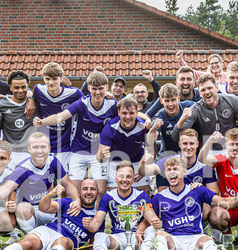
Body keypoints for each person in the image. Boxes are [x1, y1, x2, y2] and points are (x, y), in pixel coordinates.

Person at [139, 156, 238, 250]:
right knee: (161, 236)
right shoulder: (159, 197)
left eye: (175, 169)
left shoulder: (197, 190)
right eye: (169, 170)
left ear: (184, 171)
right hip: (173, 240)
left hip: (195, 239)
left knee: (208, 241)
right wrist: (140, 230)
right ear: (165, 173)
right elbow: (147, 220)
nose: (172, 172)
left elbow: (223, 201)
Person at [35, 71, 117, 200]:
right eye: (94, 89)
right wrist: (42, 121)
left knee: (101, 190)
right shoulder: (82, 103)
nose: (97, 92)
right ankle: (76, 212)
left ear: (107, 87)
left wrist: (145, 120)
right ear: (88, 88)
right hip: (78, 151)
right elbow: (60, 116)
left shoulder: (112, 104)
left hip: (98, 153)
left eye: (101, 88)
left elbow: (129, 111)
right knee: (73, 191)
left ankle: (96, 213)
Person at [0, 132, 80, 235]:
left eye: (43, 147)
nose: (39, 151)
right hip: (27, 212)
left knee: (70, 206)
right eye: (35, 147)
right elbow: (5, 190)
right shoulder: (22, 169)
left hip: (45, 207)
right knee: (24, 209)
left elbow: (68, 185)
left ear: (49, 148)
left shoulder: (53, 161)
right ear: (29, 149)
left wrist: (77, 200)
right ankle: (31, 236)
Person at [0, 179, 99, 250]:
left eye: (92, 189)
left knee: (64, 242)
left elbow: (94, 243)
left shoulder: (98, 218)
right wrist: (51, 194)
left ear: (97, 193)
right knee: (28, 243)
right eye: (85, 189)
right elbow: (43, 207)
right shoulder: (68, 202)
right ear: (79, 192)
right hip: (48, 230)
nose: (88, 192)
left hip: (67, 239)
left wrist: (90, 246)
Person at [83, 162, 159, 250]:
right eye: (121, 176)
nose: (125, 179)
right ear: (116, 179)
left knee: (151, 230)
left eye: (128, 176)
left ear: (133, 180)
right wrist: (88, 225)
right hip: (117, 240)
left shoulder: (142, 195)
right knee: (99, 235)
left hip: (137, 238)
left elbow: (152, 218)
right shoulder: (108, 196)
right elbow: (95, 224)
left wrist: (155, 222)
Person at [172, 74, 238, 154]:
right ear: (200, 93)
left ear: (216, 88)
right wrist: (181, 120)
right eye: (203, 90)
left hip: (232, 148)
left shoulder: (232, 100)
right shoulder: (196, 109)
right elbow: (176, 137)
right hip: (209, 151)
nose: (207, 92)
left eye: (209, 88)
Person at [32, 62, 84, 173]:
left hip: (64, 146)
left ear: (61, 79)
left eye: (54, 79)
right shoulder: (38, 90)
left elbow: (88, 104)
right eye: (47, 79)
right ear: (43, 78)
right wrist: (29, 100)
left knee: (62, 179)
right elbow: (27, 95)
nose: (51, 82)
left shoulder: (74, 93)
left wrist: (106, 95)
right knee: (42, 178)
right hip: (44, 145)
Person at [97, 97, 152, 194]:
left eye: (131, 113)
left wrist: (144, 167)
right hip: (115, 162)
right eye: (124, 113)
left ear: (137, 113)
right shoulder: (110, 127)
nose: (128, 117)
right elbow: (100, 159)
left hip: (137, 161)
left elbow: (151, 151)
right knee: (113, 193)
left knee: (144, 192)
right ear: (118, 112)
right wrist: (103, 155)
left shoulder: (143, 126)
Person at [138, 128, 218, 194]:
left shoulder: (204, 165)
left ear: (197, 144)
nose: (188, 147)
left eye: (191, 143)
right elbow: (144, 172)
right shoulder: (170, 162)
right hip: (175, 204)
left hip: (197, 204)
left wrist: (201, 189)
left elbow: (215, 191)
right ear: (180, 144)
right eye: (185, 143)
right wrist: (143, 162)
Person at [0, 71, 35, 166]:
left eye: (23, 87)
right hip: (9, 153)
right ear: (10, 87)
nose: (20, 91)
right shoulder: (0, 104)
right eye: (16, 87)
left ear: (27, 86)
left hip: (30, 153)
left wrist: (31, 98)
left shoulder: (36, 103)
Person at [150, 84, 195, 158]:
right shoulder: (159, 116)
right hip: (167, 157)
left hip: (189, 155)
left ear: (178, 98)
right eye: (167, 101)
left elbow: (204, 107)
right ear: (161, 101)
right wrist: (153, 129)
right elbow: (151, 140)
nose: (170, 104)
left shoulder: (188, 106)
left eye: (173, 100)